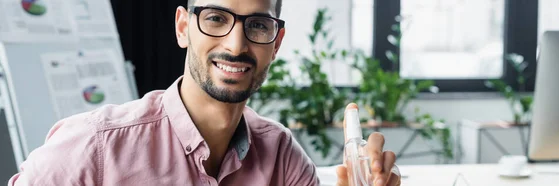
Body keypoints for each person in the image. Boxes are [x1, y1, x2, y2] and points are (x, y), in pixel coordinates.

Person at [8, 0, 401, 185]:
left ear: (276, 42)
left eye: (258, 26)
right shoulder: (94, 147)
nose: (235, 45)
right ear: (183, 28)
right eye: (216, 18)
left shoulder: (282, 158)